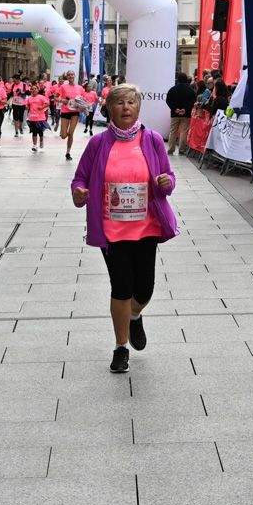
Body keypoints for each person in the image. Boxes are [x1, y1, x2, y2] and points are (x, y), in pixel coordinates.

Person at [70, 84, 180, 375]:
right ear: (110, 109)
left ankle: (134, 315)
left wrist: (166, 182)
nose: (126, 107)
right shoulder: (98, 144)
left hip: (147, 227)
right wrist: (80, 192)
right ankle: (121, 347)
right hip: (112, 229)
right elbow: (79, 179)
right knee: (121, 286)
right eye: (119, 103)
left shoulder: (153, 139)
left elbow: (168, 174)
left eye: (131, 102)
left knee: (144, 288)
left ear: (138, 107)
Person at [55, 71, 85, 160]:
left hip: (75, 112)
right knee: (64, 136)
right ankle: (63, 131)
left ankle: (68, 152)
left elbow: (83, 99)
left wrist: (83, 105)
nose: (71, 76)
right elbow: (56, 97)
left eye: (72, 74)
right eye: (69, 75)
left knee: (71, 133)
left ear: (74, 76)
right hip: (65, 111)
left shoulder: (80, 88)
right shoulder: (63, 87)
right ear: (67, 77)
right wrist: (62, 100)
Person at [166, 73, 196, 152]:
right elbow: (193, 101)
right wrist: (185, 109)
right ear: (186, 79)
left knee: (173, 131)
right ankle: (182, 149)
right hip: (186, 114)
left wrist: (175, 109)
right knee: (184, 131)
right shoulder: (190, 90)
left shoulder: (172, 89)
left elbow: (168, 100)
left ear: (178, 79)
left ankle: (171, 149)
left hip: (174, 114)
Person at [26, 83, 50, 152]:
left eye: (35, 89)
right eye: (32, 89)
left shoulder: (41, 97)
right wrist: (27, 107)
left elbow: (47, 103)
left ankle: (41, 142)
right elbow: (27, 105)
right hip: (32, 118)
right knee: (34, 131)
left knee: (40, 132)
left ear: (38, 90)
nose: (33, 90)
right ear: (30, 90)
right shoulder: (29, 98)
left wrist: (42, 107)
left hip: (40, 118)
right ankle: (34, 145)